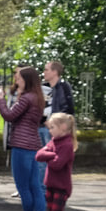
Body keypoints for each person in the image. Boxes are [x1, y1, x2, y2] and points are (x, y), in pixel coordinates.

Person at [0, 66, 47, 211]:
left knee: (24, 188)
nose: (16, 81)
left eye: (19, 79)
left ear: (27, 80)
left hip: (21, 146)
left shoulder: (26, 98)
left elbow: (9, 116)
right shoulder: (37, 97)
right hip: (33, 145)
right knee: (35, 187)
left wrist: (1, 99)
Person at [35, 112, 77, 211]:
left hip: (61, 187)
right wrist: (53, 154)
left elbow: (58, 165)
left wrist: (50, 155)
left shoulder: (66, 145)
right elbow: (39, 155)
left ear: (63, 127)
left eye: (52, 127)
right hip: (50, 185)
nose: (50, 130)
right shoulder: (54, 141)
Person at [38, 61, 75, 189]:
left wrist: (55, 122)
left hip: (55, 129)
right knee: (41, 160)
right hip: (42, 126)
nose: (44, 72)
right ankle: (43, 188)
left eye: (47, 69)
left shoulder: (63, 87)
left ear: (55, 72)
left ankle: (54, 188)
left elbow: (68, 108)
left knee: (56, 160)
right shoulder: (43, 87)